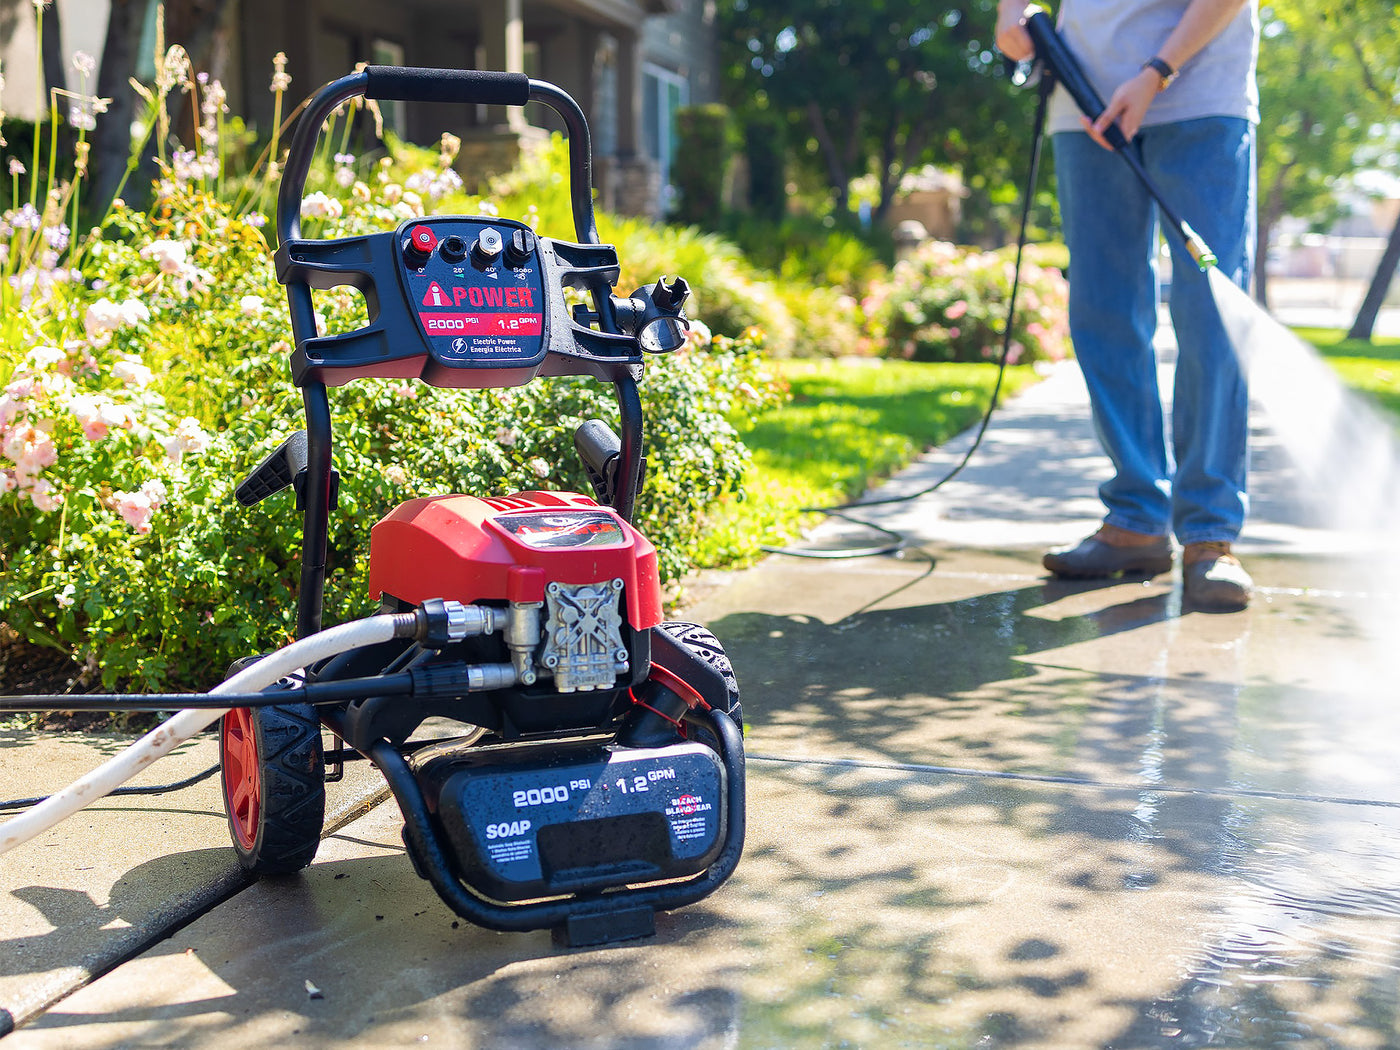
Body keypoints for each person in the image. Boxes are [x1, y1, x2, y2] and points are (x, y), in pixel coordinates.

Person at [995, 0, 1260, 610]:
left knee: (1212, 313)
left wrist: (1155, 73)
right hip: (1081, 98)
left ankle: (1210, 536)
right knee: (1103, 311)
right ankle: (1137, 518)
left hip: (1200, 94)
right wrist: (1010, 13)